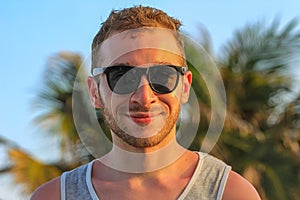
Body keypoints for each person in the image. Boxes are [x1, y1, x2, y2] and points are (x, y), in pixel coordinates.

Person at [31, 5, 261, 200]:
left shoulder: (230, 193)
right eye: (121, 76)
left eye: (163, 76)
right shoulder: (53, 196)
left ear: (185, 87)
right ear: (94, 92)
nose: (144, 97)